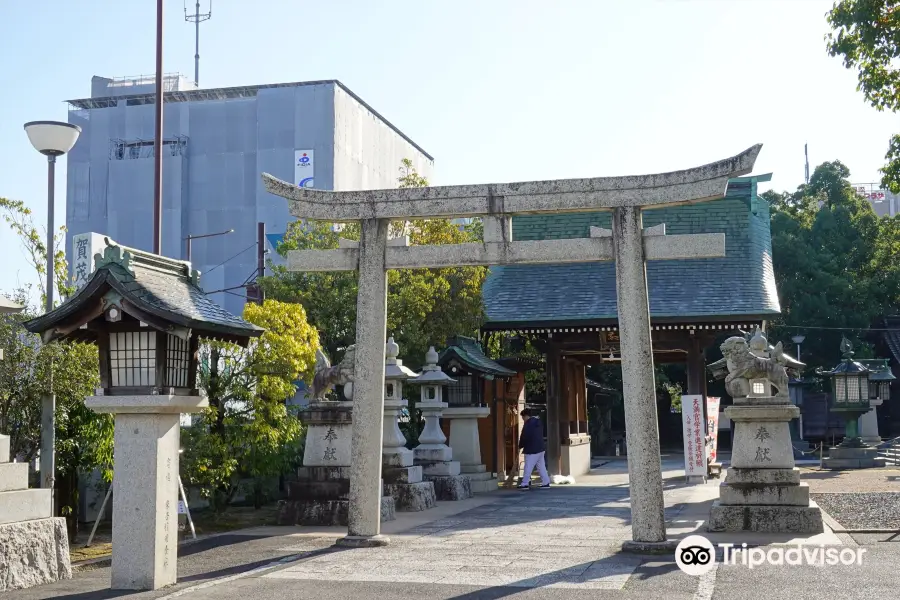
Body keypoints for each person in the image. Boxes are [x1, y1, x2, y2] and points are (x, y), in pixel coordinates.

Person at [518, 408, 551, 489]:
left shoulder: (528, 424)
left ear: (526, 416)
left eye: (523, 417)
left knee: (528, 466)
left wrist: (520, 446)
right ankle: (546, 482)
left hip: (531, 449)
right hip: (540, 448)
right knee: (541, 467)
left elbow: (524, 436)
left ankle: (525, 483)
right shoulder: (538, 422)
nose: (523, 419)